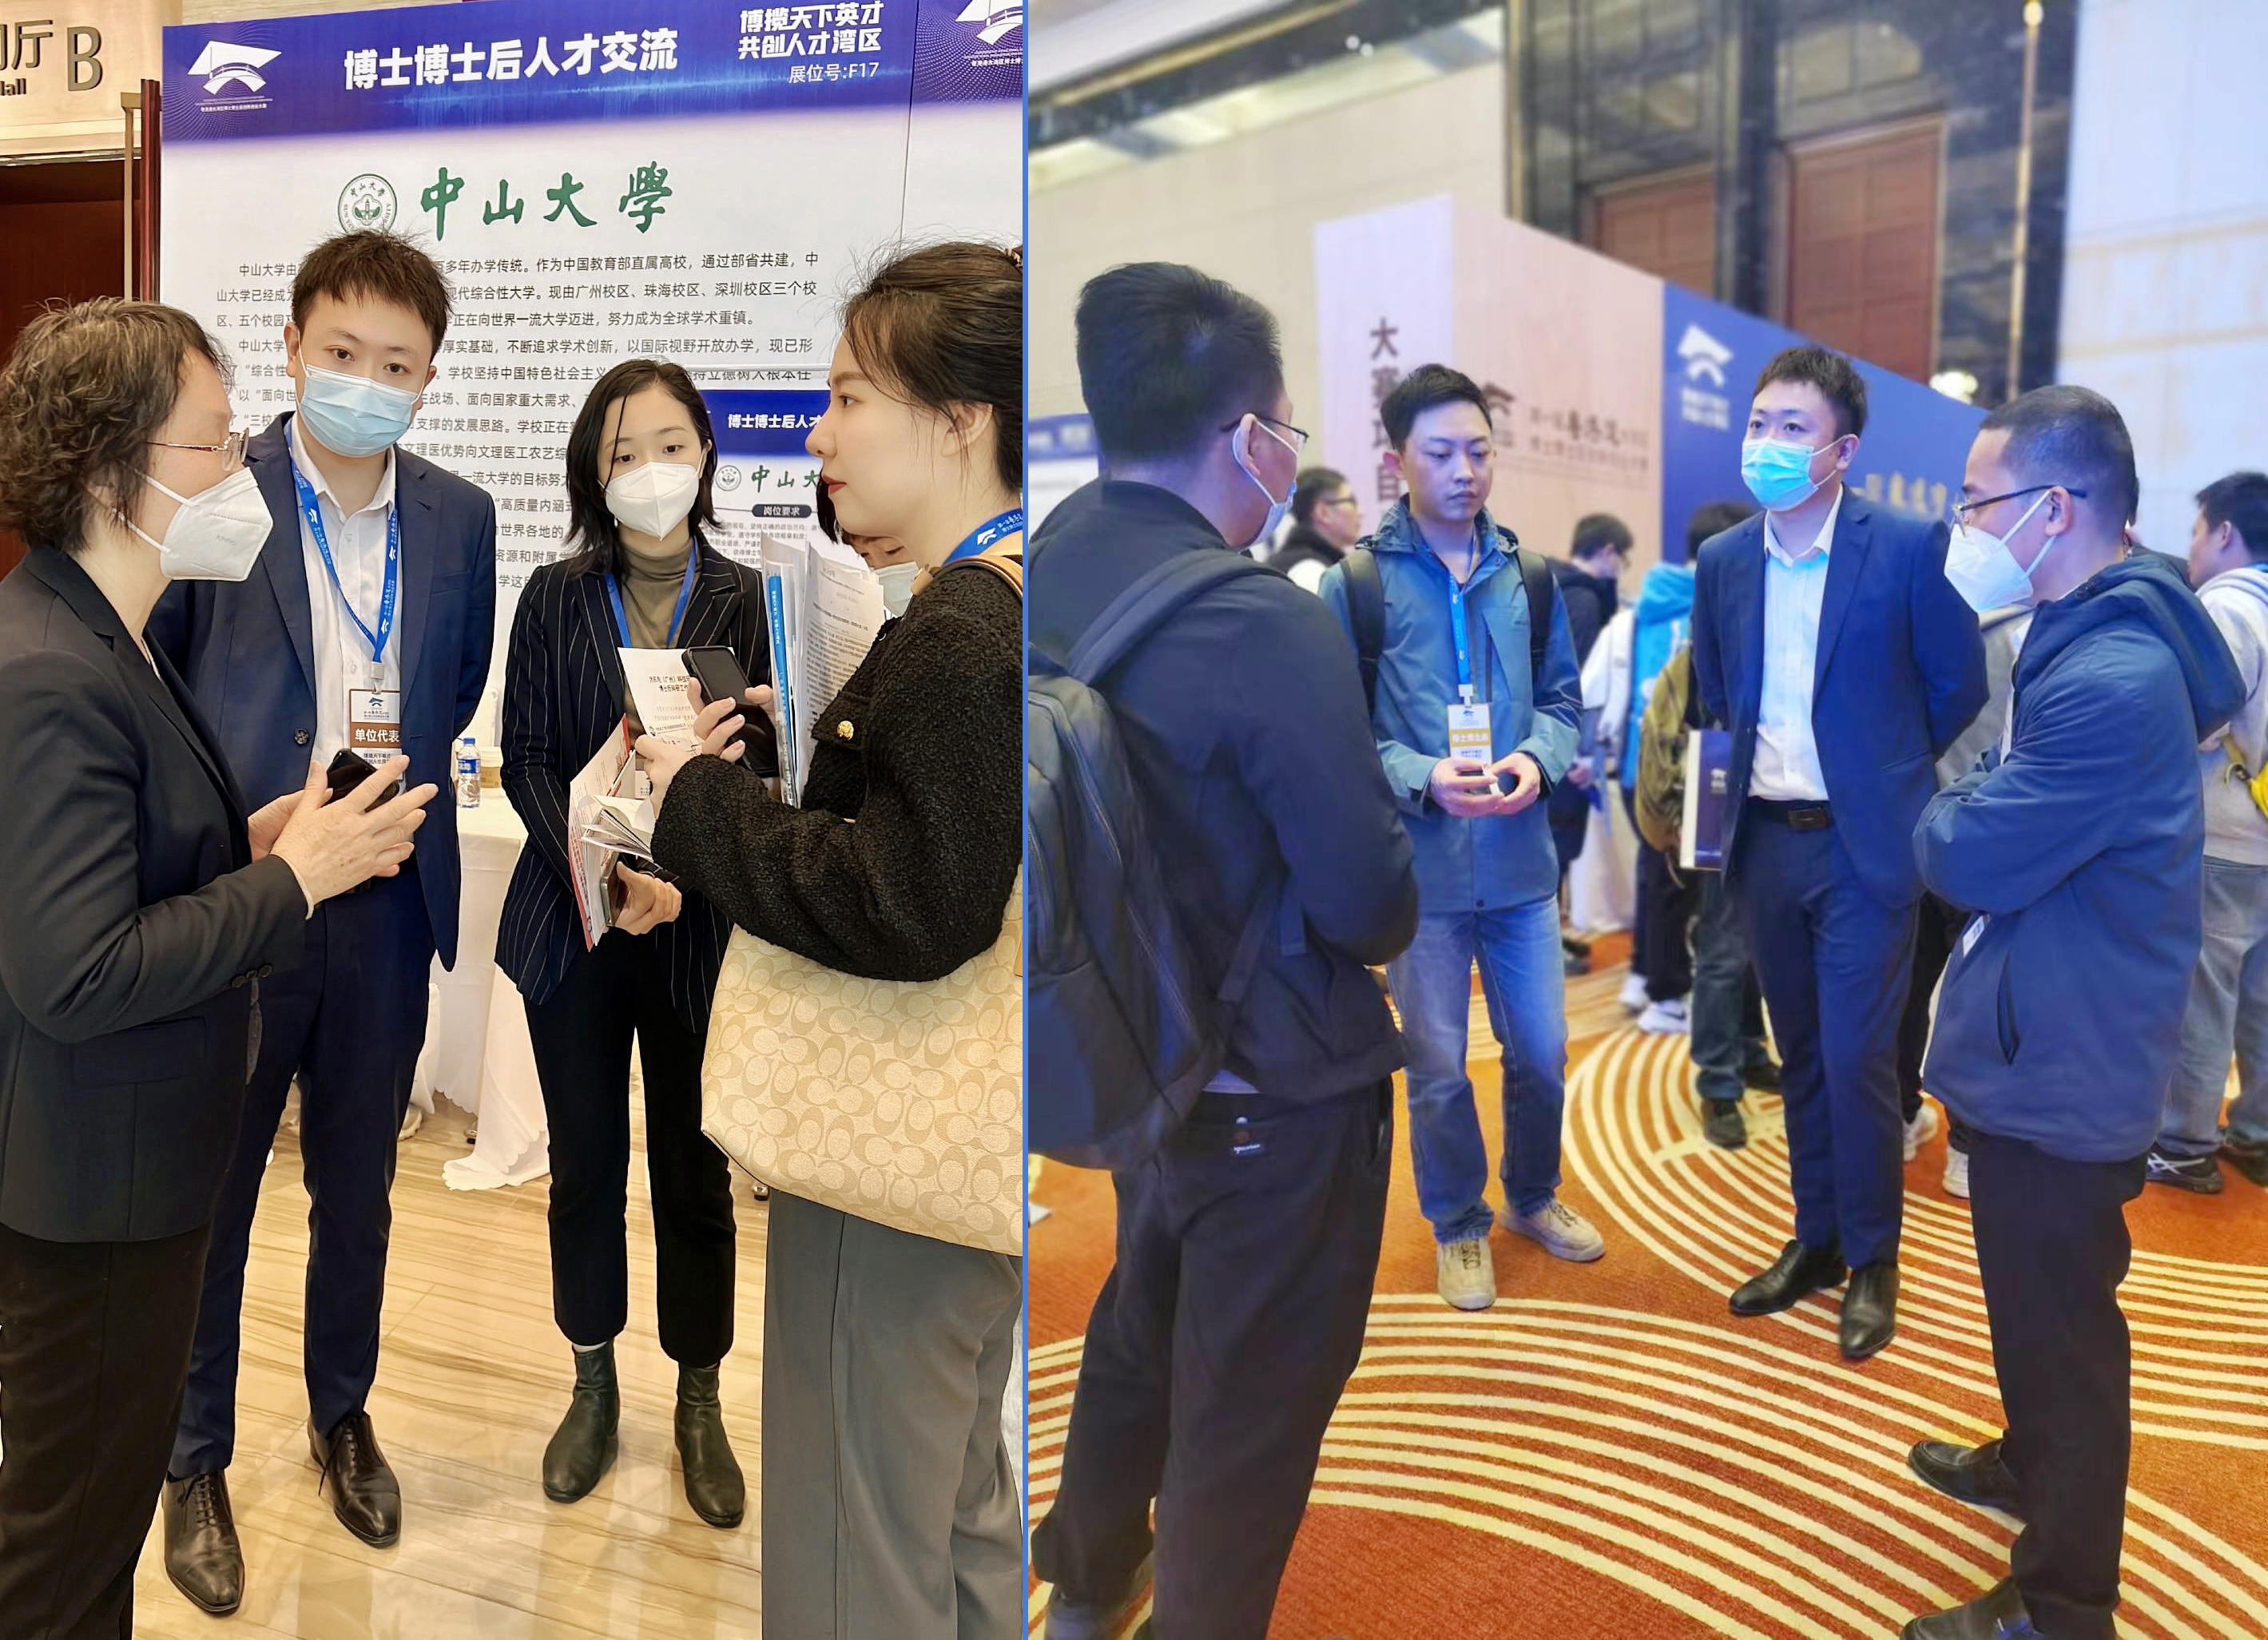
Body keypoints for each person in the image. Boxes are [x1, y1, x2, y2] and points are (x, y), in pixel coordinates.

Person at [0, 298, 435, 1640]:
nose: (240, 467)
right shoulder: (52, 670)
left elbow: (122, 868)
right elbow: (75, 970)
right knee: (64, 1554)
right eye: (210, 442)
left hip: (131, 1162)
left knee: (90, 1528)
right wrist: (293, 880)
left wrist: (253, 843)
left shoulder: (109, 631)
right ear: (108, 469)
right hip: (93, 1190)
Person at [634, 242, 1025, 1639]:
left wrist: (692, 800)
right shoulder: (1024, 597)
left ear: (958, 419)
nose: (820, 433)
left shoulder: (962, 633)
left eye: (851, 396)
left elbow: (904, 902)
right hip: (973, 1154)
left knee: (855, 1554)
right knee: (956, 1511)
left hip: (889, 1171)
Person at [1026, 264, 1417, 1640]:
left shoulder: (1033, 568)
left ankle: (1084, 1581)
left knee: (1141, 1320)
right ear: (1248, 435)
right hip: (1272, 1087)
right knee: (1243, 1417)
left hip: (1126, 1060)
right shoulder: (1260, 621)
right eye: (1286, 429)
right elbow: (1368, 903)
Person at [147, 230, 497, 1606]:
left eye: (396, 363)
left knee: (359, 1185)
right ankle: (193, 1454)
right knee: (216, 1191)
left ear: (428, 378)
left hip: (388, 894)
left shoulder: (460, 517)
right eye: (341, 351)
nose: (366, 379)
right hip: (249, 891)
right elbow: (163, 680)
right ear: (293, 348)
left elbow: (451, 689)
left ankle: (341, 1412)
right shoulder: (215, 496)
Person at [1901, 385, 2242, 1640]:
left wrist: (1947, 808)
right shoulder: (2084, 630)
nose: (1960, 525)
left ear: (2050, 510)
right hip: (2049, 1023)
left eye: (1973, 501)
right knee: (2028, 1301)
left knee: (2061, 1329)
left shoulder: (2109, 673)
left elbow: (1969, 852)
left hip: (2066, 1049)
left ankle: (2061, 1601)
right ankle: (2026, 1464)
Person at [495, 360, 769, 1525]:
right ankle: (591, 1381)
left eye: (669, 444)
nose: (649, 470)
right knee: (586, 1166)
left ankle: (699, 1396)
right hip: (576, 921)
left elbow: (771, 768)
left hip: (700, 926)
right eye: (621, 453)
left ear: (704, 451)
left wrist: (675, 876)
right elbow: (524, 754)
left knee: (695, 1175)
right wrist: (604, 872)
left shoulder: (750, 597)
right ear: (591, 473)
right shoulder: (553, 596)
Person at [1689, 345, 1985, 1363]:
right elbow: (1715, 696)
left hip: (1864, 846)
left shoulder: (1903, 546)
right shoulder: (1725, 560)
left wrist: (1882, 767)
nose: (1767, 443)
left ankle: (1873, 1256)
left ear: (1842, 450)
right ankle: (1814, 1237)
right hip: (1766, 842)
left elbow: (1956, 684)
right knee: (1803, 1055)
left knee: (1860, 1057)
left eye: (1792, 428)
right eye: (1758, 423)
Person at [1317, 362, 1603, 1313]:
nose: (1464, 471)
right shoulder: (1357, 583)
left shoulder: (1529, 576)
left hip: (1521, 867)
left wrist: (1535, 757)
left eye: (1478, 451)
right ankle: (1457, 1221)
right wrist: (1421, 774)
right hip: (1423, 874)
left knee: (1543, 1052)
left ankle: (1532, 1192)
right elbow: (1337, 728)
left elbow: (1561, 703)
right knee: (1437, 1066)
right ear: (1397, 460)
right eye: (1440, 453)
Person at [2153, 471, 2268, 1192]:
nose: (2191, 546)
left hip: (2224, 832)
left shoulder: (2226, 607)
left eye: (2197, 530)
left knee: (2204, 992)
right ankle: (2256, 1133)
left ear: (2225, 532)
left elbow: (2198, 721)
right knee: (2260, 996)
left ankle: (2183, 1142)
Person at [1896, 600, 2032, 1198]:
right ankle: (1966, 1147)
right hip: (1993, 844)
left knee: (1905, 984)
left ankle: (1898, 1116)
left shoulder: (1931, 625)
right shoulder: (2041, 633)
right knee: (1978, 997)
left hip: (1920, 831)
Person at [1662, 500, 1781, 1148]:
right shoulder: (1705, 626)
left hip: (1783, 807)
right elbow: (1678, 726)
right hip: (1722, 803)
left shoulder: (1780, 610)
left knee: (1761, 946)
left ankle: (1749, 1049)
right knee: (1723, 949)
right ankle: (1717, 1080)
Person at [1547, 513, 1629, 967]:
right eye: (1623, 559)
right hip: (1564, 743)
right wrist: (1580, 752)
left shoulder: (1554, 586)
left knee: (1555, 841)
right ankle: (1547, 944)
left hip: (1544, 737)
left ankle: (1552, 938)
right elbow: (1579, 683)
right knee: (1558, 841)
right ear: (1609, 552)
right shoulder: (1583, 598)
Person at [1271, 465, 1363, 592]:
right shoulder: (1310, 571)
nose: (1360, 513)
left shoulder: (1291, 560)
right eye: (1351, 502)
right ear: (1323, 512)